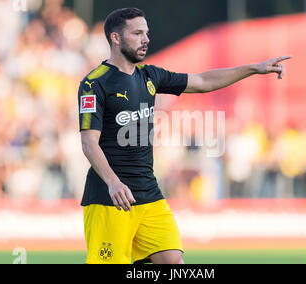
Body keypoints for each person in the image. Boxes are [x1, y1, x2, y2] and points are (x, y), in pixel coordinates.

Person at [78, 7, 291, 264]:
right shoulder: (94, 83)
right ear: (116, 38)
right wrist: (113, 182)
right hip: (109, 198)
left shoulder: (150, 75)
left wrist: (254, 68)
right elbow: (89, 142)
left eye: (146, 32)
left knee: (173, 263)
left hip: (148, 193)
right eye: (137, 33)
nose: (146, 39)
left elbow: (202, 82)